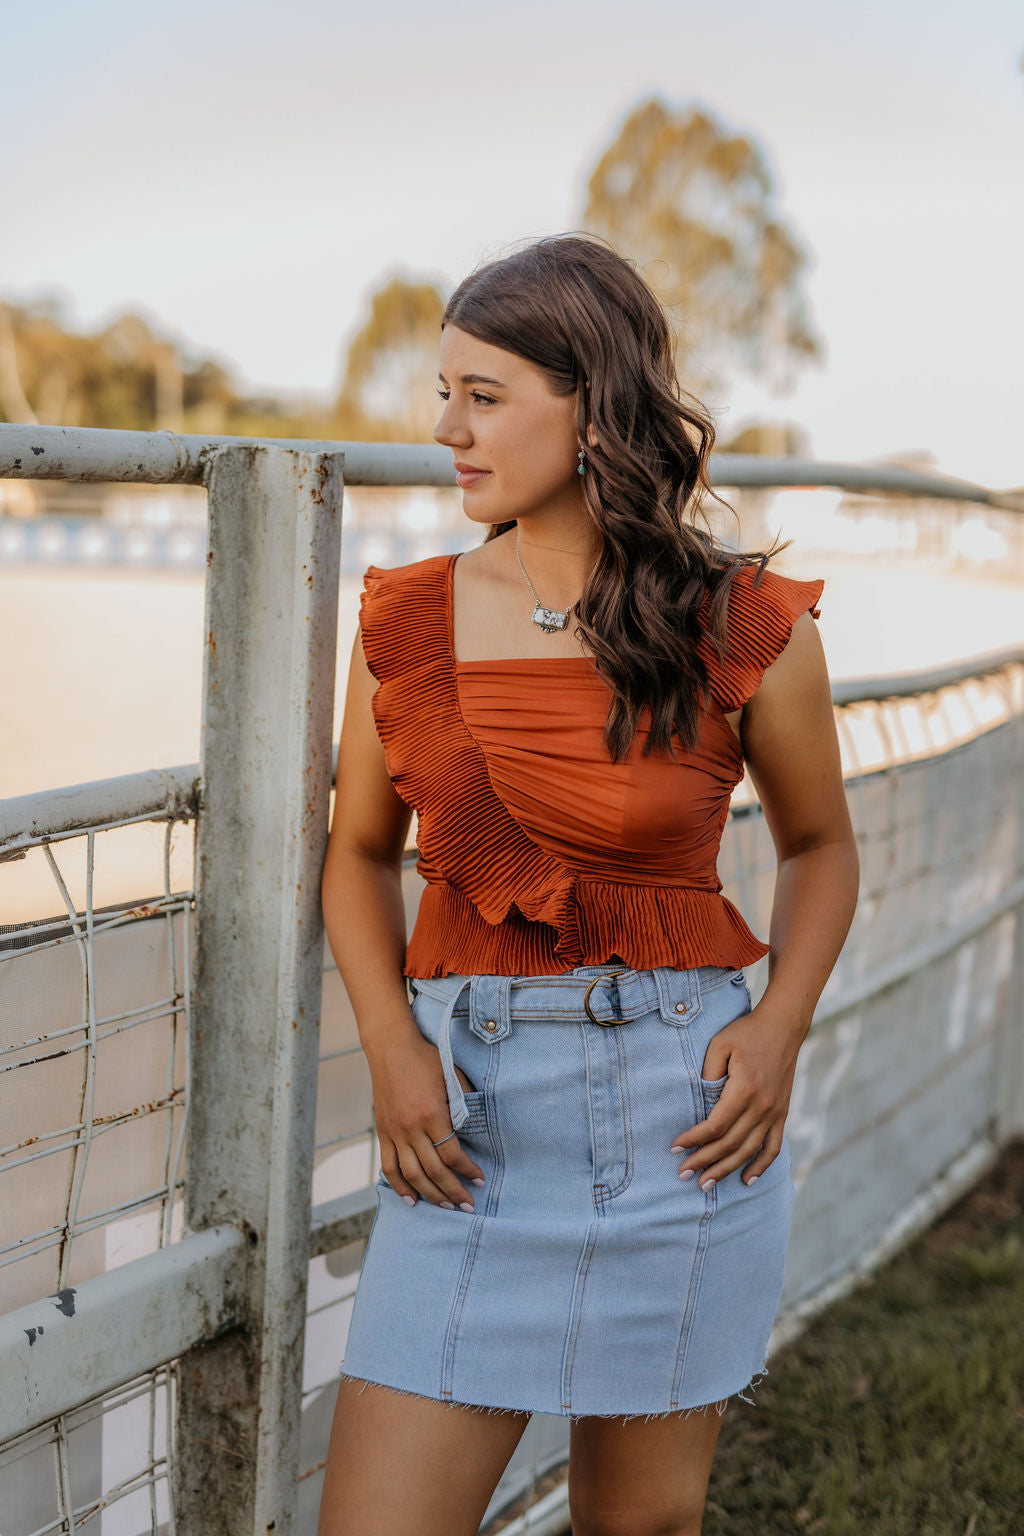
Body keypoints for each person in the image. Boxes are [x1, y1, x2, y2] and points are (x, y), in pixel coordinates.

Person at [317, 233, 859, 1536]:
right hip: (469, 1138)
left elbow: (820, 847)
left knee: (644, 1527)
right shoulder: (408, 619)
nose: (446, 427)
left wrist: (779, 1028)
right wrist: (390, 1048)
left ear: (595, 405)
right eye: (442, 391)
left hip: (689, 1122)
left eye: (483, 395)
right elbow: (354, 853)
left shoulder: (746, 623)